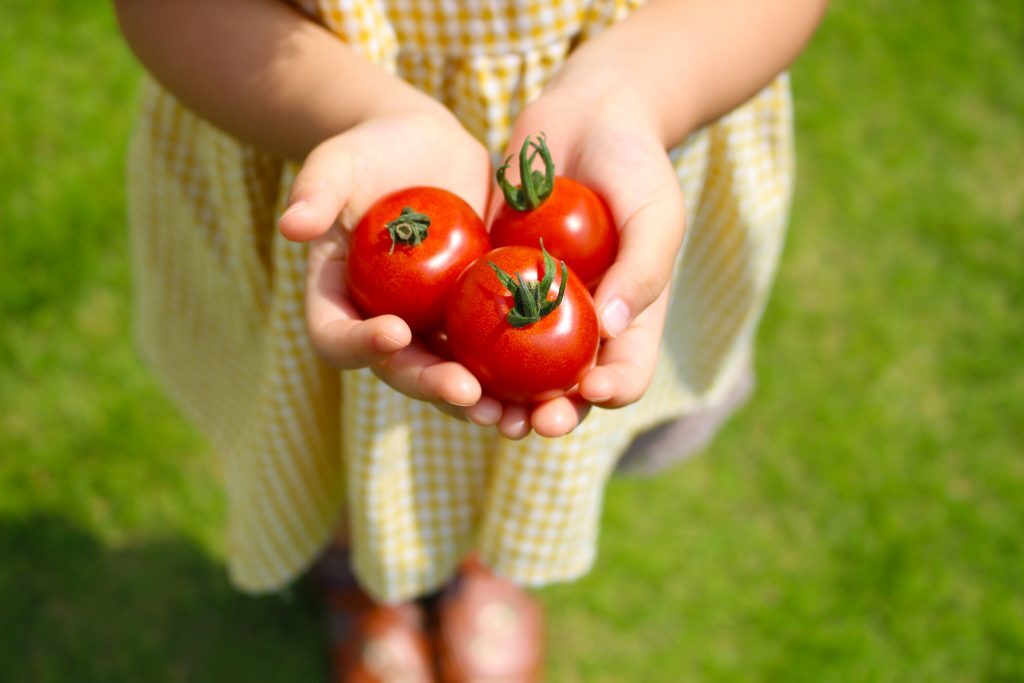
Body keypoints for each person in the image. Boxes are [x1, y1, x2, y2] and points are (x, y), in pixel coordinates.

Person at [114, 0, 827, 680]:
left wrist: (634, 89)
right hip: (306, 124)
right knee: (327, 428)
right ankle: (360, 580)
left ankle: (487, 568)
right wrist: (359, 109)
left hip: (643, 110)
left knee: (526, 446)